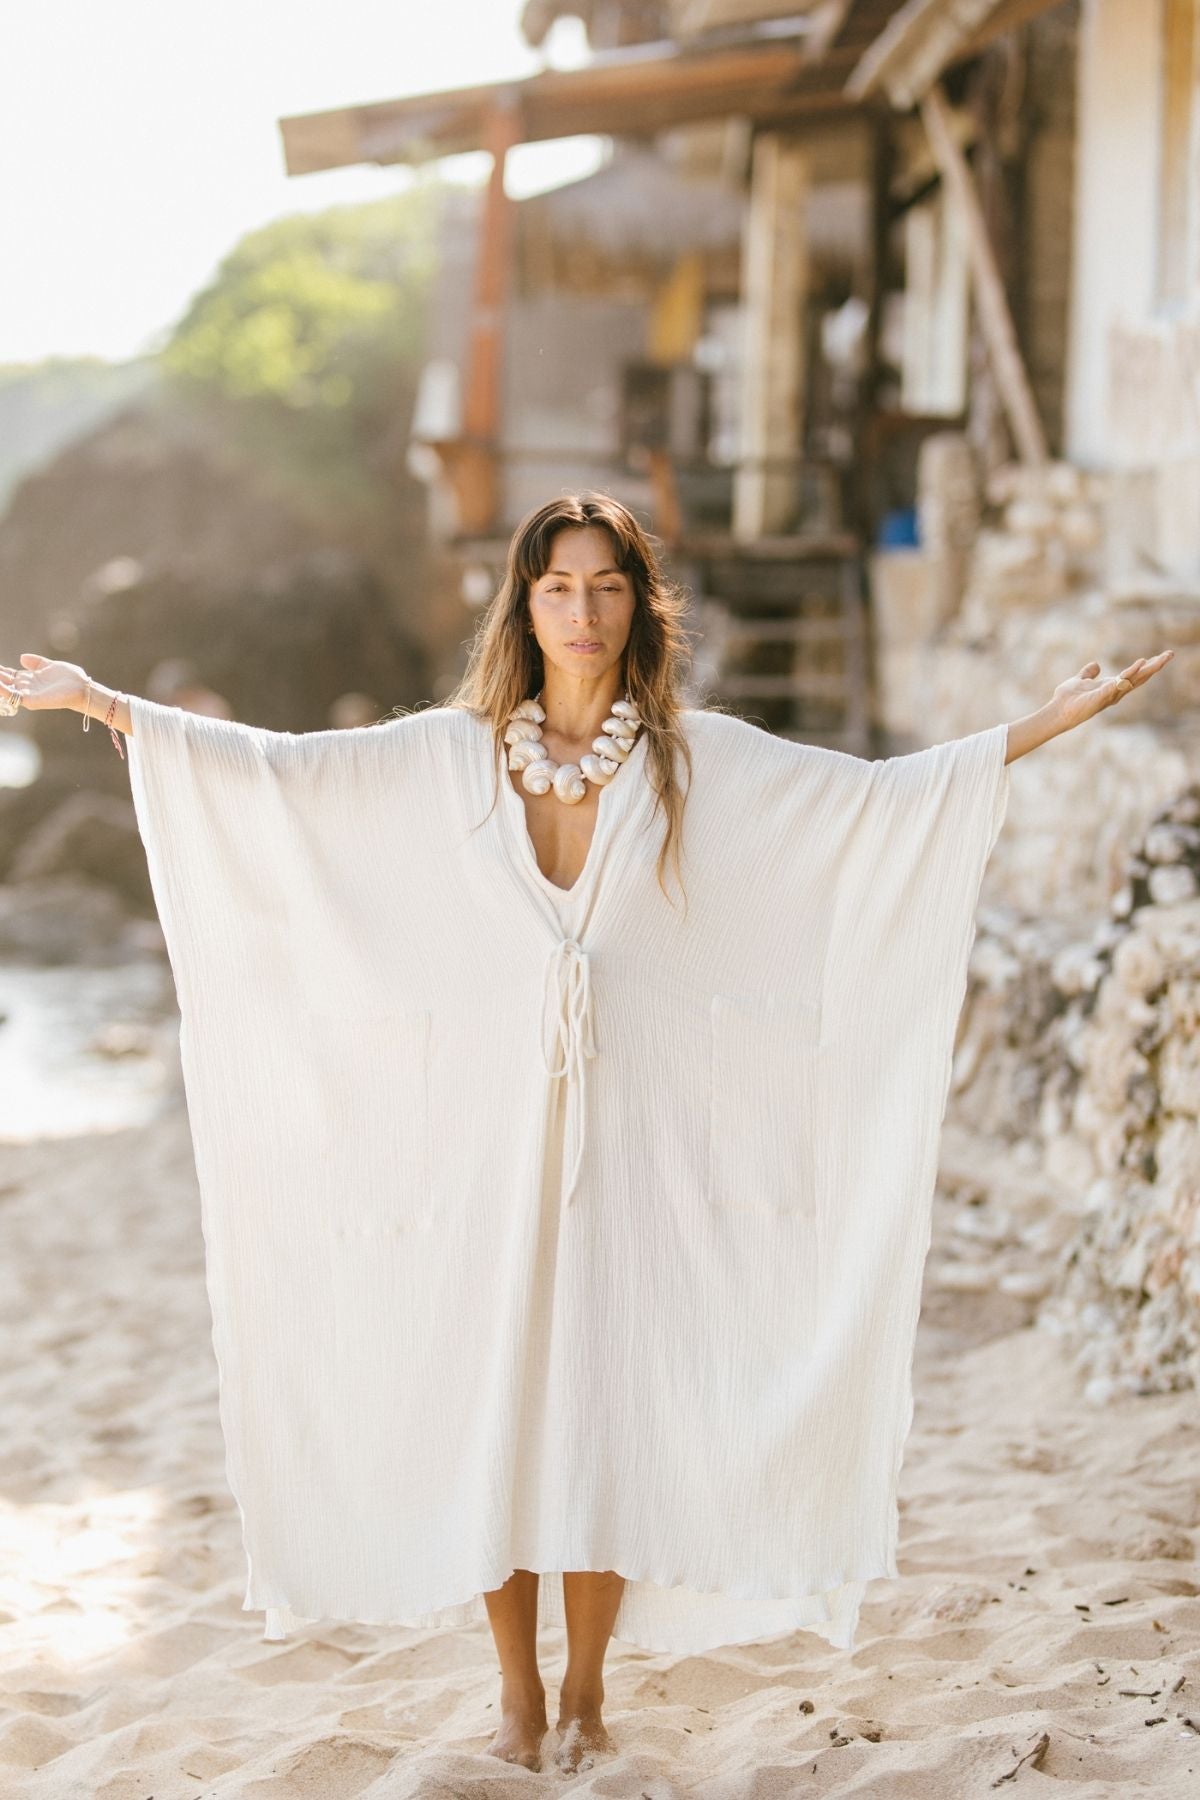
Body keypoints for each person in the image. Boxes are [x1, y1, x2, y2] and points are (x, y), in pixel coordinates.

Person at [0, 493, 1174, 1776]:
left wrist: (1050, 724)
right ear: (524, 605)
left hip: (632, 1155)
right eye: (557, 588)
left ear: (637, 604)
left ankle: (591, 1691)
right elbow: (285, 778)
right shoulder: (450, 759)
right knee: (500, 1411)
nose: (582, 611)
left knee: (606, 1414)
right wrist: (103, 703)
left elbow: (872, 805)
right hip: (483, 1154)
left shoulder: (695, 761)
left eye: (607, 585)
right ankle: (515, 1695)